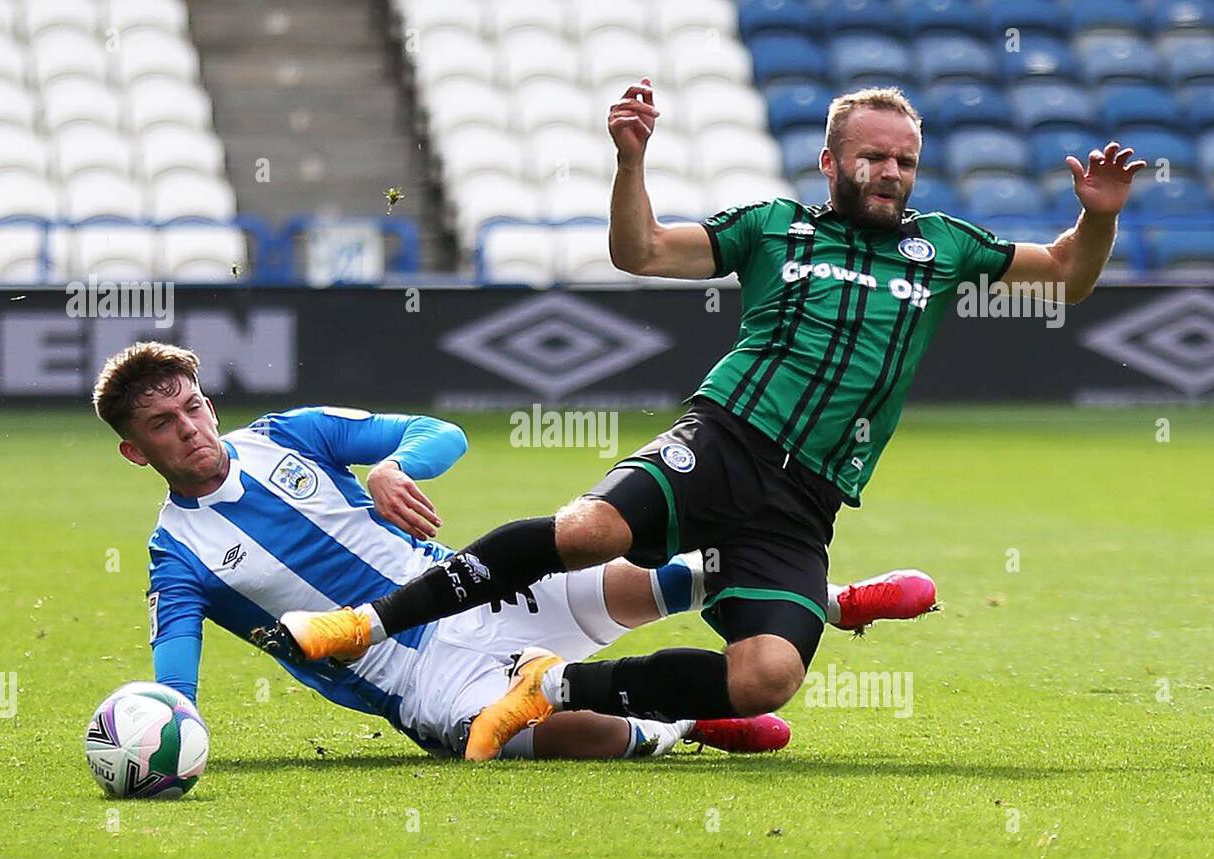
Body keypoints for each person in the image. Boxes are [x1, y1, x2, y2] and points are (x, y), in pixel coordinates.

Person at [261, 83, 1144, 761]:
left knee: (768, 678)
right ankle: (366, 625)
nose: (892, 173)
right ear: (830, 163)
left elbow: (1065, 274)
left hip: (806, 501)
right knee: (588, 531)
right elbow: (638, 251)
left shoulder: (944, 246)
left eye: (906, 161)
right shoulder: (773, 228)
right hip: (723, 439)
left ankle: (554, 687)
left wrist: (1095, 219)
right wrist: (630, 160)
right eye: (873, 157)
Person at [93, 341, 933, 759]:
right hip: (424, 681)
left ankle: (827, 600)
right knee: (587, 737)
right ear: (137, 453)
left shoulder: (289, 435)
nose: (192, 430)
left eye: (195, 407)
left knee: (654, 579)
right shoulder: (179, 555)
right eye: (165, 425)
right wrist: (168, 726)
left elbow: (441, 431)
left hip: (466, 589)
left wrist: (392, 468)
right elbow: (177, 670)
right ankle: (682, 724)